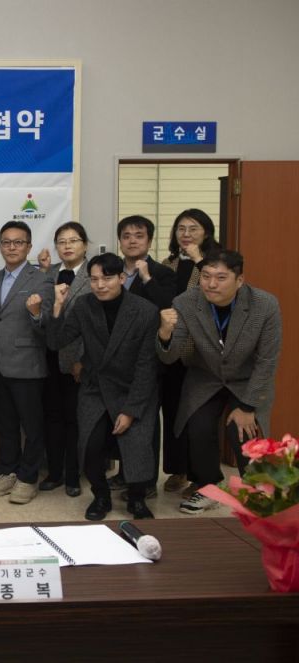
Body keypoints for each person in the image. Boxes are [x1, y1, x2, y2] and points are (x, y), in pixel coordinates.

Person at [157, 249, 282, 515]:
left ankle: (256, 488)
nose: (211, 284)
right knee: (198, 427)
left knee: (244, 430)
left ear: (240, 280)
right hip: (206, 376)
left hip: (247, 379)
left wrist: (247, 406)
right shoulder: (185, 302)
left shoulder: (264, 305)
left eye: (221, 277)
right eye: (206, 276)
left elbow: (267, 361)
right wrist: (165, 333)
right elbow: (170, 356)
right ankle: (209, 487)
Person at [49, 253, 160, 520]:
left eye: (107, 278)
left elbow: (147, 367)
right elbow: (56, 342)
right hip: (95, 387)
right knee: (90, 445)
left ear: (121, 278)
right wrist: (58, 307)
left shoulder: (145, 311)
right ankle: (101, 496)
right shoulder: (84, 305)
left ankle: (136, 499)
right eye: (94, 279)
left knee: (136, 446)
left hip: (133, 388)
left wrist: (130, 410)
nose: (100, 285)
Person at [0, 220, 54, 505]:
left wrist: (36, 313)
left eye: (18, 242)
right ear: (0, 246)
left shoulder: (41, 279)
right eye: (6, 242)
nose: (12, 247)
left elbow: (47, 323)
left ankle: (28, 478)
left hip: (27, 363)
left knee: (32, 426)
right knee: (4, 425)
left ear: (29, 246)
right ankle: (8, 472)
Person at [159, 209, 220, 496]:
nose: (186, 234)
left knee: (197, 416)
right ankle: (178, 469)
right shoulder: (168, 263)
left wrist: (199, 260)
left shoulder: (216, 264)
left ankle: (201, 476)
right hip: (172, 347)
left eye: (193, 228)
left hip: (201, 352)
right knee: (172, 411)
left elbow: (216, 296)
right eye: (181, 228)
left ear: (206, 232)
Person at [117, 215, 176, 496]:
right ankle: (125, 474)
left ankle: (147, 481)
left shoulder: (163, 273)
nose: (132, 241)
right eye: (126, 236)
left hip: (148, 356)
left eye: (139, 235)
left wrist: (147, 279)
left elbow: (168, 309)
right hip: (117, 358)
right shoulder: (113, 270)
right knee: (120, 416)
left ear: (149, 241)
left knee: (145, 421)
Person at [37, 222, 91, 497]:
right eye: (62, 241)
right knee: (52, 417)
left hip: (78, 360)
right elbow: (44, 317)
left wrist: (83, 359)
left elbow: (96, 324)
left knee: (75, 419)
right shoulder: (48, 275)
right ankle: (55, 472)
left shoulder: (94, 275)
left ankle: (73, 475)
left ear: (85, 244)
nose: (67, 246)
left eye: (73, 240)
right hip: (49, 356)